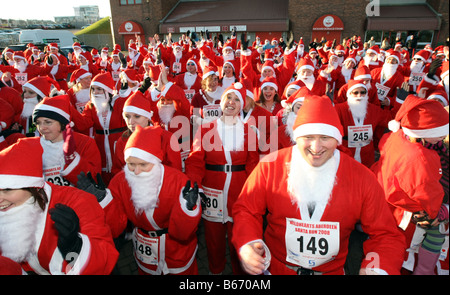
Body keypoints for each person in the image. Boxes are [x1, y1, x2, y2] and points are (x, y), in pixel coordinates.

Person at [232, 95, 405, 275]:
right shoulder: (270, 166)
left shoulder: (361, 177)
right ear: (296, 137)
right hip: (278, 270)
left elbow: (386, 234)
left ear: (337, 139)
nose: (316, 147)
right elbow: (246, 209)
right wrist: (248, 242)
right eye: (308, 137)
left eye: (325, 137)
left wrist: (377, 268)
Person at [80, 125, 202, 275]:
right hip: (144, 253)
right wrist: (104, 201)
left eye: (143, 165)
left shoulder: (178, 181)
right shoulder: (120, 182)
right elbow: (117, 227)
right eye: (131, 164)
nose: (136, 171)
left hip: (176, 251)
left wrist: (187, 211)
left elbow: (183, 234)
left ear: (156, 161)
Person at [0, 138, 118, 274]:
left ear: (34, 187)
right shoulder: (9, 207)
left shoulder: (77, 201)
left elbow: (104, 261)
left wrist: (76, 247)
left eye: (7, 190)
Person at [185, 82, 260, 275]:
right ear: (222, 101)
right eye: (229, 97)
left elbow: (253, 165)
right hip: (212, 192)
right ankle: (215, 271)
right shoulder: (205, 129)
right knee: (214, 239)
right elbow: (195, 161)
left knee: (241, 239)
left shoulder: (249, 132)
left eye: (237, 99)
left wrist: (256, 193)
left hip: (240, 192)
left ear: (241, 105)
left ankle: (241, 274)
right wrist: (195, 186)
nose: (231, 102)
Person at [371, 95, 449, 275]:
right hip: (407, 213)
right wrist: (438, 212)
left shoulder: (399, 136)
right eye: (441, 132)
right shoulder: (420, 158)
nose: (444, 136)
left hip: (385, 200)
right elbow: (427, 194)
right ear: (426, 131)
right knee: (434, 232)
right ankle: (424, 269)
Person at [32, 95, 102, 187]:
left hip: (78, 199)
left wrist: (72, 160)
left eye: (48, 122)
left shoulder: (84, 143)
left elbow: (95, 178)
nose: (42, 128)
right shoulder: (34, 146)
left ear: (62, 123)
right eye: (38, 123)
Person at [72, 72, 128, 185]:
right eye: (93, 89)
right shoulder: (91, 105)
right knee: (103, 175)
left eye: (99, 89)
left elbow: (132, 105)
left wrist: (126, 92)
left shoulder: (118, 102)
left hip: (119, 143)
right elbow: (83, 124)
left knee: (121, 173)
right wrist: (68, 108)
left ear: (107, 89)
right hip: (100, 145)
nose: (95, 92)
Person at [112, 90, 182, 175]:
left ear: (148, 117)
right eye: (127, 116)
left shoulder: (166, 138)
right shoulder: (123, 141)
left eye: (137, 116)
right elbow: (118, 172)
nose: (130, 122)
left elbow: (175, 173)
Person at [334, 80, 391, 167]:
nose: (359, 95)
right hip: (346, 153)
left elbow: (390, 120)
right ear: (349, 94)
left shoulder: (373, 109)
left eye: (363, 92)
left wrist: (400, 101)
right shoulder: (339, 109)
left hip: (367, 156)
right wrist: (328, 105)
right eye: (355, 92)